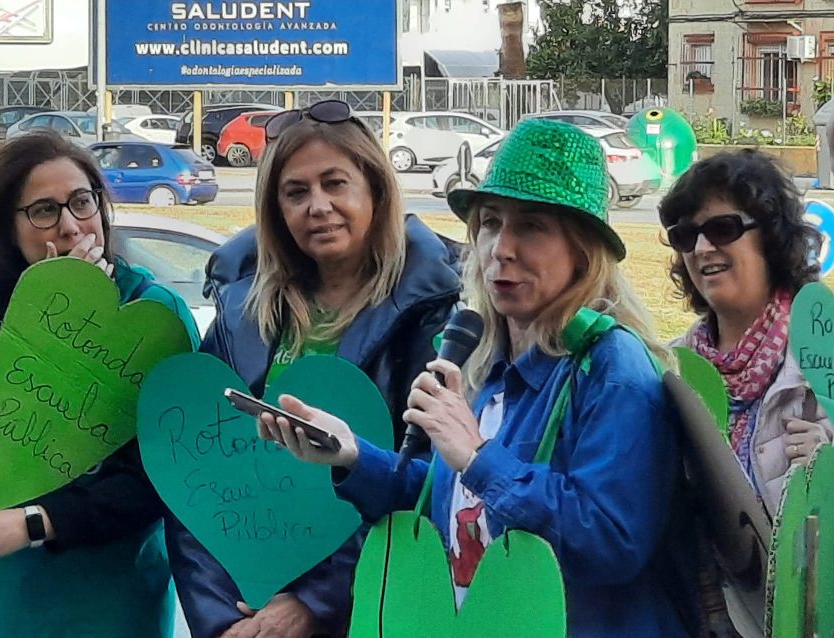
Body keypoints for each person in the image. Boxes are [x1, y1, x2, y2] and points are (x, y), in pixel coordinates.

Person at [257, 120, 699, 637]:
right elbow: (456, 505)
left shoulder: (611, 366)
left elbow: (611, 541)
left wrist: (478, 456)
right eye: (490, 223)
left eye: (531, 226)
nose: (502, 248)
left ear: (582, 250)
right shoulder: (486, 361)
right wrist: (352, 454)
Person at [166, 99, 461, 637]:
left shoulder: (435, 315)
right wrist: (221, 621)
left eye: (335, 184)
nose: (317, 206)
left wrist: (314, 604)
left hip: (372, 611)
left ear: (375, 188)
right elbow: (191, 473)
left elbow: (433, 487)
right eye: (296, 192)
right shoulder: (240, 313)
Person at [0, 131, 200, 635]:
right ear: (9, 228)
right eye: (44, 211)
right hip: (3, 587)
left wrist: (36, 522)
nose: (71, 225)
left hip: (110, 590)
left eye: (82, 201)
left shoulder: (154, 314)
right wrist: (46, 315)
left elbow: (166, 476)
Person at [659, 150, 833, 635]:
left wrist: (827, 471)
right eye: (685, 236)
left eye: (723, 228)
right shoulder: (668, 369)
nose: (701, 248)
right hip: (690, 618)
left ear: (772, 237)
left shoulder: (823, 352)